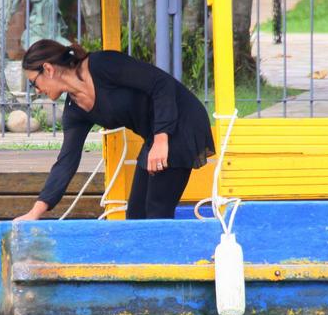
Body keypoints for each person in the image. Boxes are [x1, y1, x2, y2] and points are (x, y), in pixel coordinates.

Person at [14, 39, 215, 221]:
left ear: (48, 69)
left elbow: (161, 84)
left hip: (182, 120)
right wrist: (35, 213)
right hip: (156, 134)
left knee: (157, 213)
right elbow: (66, 162)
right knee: (136, 216)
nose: (36, 90)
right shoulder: (75, 111)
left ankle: (164, 261)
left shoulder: (102, 64)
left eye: (33, 83)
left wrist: (162, 140)